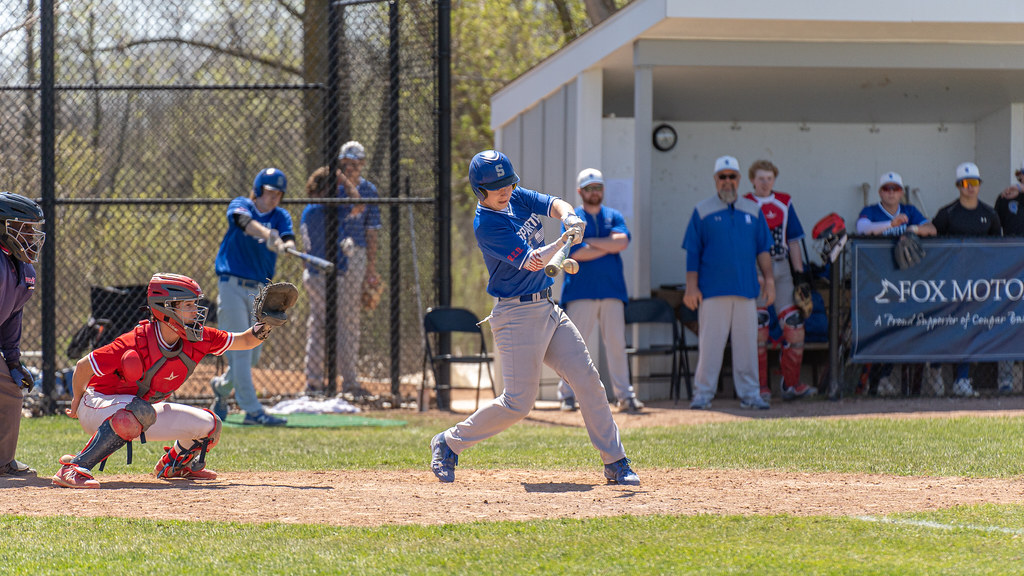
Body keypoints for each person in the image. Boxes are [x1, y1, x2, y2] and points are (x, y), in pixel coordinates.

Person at [429, 150, 639, 486]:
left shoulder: (514, 196)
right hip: (516, 315)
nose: (505, 190)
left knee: (588, 380)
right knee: (518, 403)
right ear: (480, 190)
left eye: (508, 183)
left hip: (547, 308)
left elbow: (553, 203)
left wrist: (570, 217)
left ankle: (615, 461)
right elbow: (532, 261)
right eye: (496, 186)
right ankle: (449, 442)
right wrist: (564, 239)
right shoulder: (487, 224)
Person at [52, 273, 290, 488]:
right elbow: (83, 366)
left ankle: (175, 465)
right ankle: (74, 467)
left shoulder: (198, 338)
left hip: (140, 411)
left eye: (195, 304)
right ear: (166, 308)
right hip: (98, 404)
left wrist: (266, 325)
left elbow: (245, 340)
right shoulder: (135, 341)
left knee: (210, 425)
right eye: (188, 305)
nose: (196, 311)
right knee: (138, 412)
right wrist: (77, 401)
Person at [683, 156, 774, 411]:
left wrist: (769, 279)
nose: (727, 181)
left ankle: (751, 394)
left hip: (746, 290)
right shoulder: (702, 210)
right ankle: (702, 395)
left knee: (747, 347)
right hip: (712, 291)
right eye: (722, 177)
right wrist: (691, 286)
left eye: (731, 176)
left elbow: (763, 249)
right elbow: (693, 251)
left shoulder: (753, 210)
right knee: (710, 346)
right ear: (715, 180)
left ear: (739, 179)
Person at [209, 168, 295, 426]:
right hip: (231, 284)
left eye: (278, 194)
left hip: (259, 289)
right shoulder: (242, 204)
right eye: (269, 192)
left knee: (253, 352)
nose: (274, 198)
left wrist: (287, 246)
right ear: (258, 190)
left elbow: (288, 237)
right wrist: (268, 235)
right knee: (242, 351)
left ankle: (221, 388)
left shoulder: (280, 216)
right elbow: (243, 222)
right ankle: (253, 411)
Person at [555, 168, 643, 414]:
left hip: (612, 291)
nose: (594, 192)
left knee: (616, 346)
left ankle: (625, 397)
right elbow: (575, 253)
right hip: (580, 292)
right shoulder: (573, 218)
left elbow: (622, 242)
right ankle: (567, 395)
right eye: (589, 188)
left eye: (598, 187)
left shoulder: (613, 215)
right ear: (580, 191)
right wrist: (607, 245)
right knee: (573, 346)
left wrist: (591, 242)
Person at [855, 171, 937, 396]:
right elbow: (862, 228)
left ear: (901, 192)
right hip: (877, 280)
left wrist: (913, 229)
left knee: (900, 328)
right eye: (886, 189)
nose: (891, 193)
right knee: (879, 329)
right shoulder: (871, 211)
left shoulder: (909, 211)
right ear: (880, 192)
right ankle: (871, 381)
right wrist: (891, 224)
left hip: (904, 281)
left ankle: (884, 378)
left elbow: (932, 229)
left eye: (895, 189)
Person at [743, 160, 816, 402]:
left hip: (781, 267)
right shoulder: (744, 203)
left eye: (769, 178)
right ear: (752, 180)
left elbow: (793, 240)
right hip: (755, 269)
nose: (765, 183)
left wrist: (799, 275)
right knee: (759, 328)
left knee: (794, 326)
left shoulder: (784, 202)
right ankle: (759, 387)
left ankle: (791, 383)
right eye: (760, 178)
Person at [312, 141, 381, 395]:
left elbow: (372, 231)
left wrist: (371, 268)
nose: (350, 168)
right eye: (346, 164)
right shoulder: (333, 187)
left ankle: (349, 380)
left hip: (356, 254)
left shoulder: (368, 190)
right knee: (321, 319)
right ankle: (316, 381)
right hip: (329, 253)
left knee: (349, 319)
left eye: (355, 164)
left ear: (362, 164)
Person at [928, 162, 1001, 397]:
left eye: (975, 183)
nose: (970, 187)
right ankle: (935, 369)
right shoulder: (947, 213)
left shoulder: (990, 214)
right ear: (958, 186)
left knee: (969, 329)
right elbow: (933, 243)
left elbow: (997, 248)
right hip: (948, 283)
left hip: (977, 284)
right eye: (966, 183)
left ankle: (962, 379)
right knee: (945, 328)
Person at [0, 193, 44, 478]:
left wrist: (13, 361)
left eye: (32, 228)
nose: (30, 235)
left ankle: (2, 461)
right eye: (22, 227)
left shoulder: (23, 268)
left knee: (10, 388)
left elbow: (11, 318)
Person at [993, 160, 1024, 393]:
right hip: (1013, 271)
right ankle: (1006, 379)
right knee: (1008, 319)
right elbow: (995, 231)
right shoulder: (1006, 198)